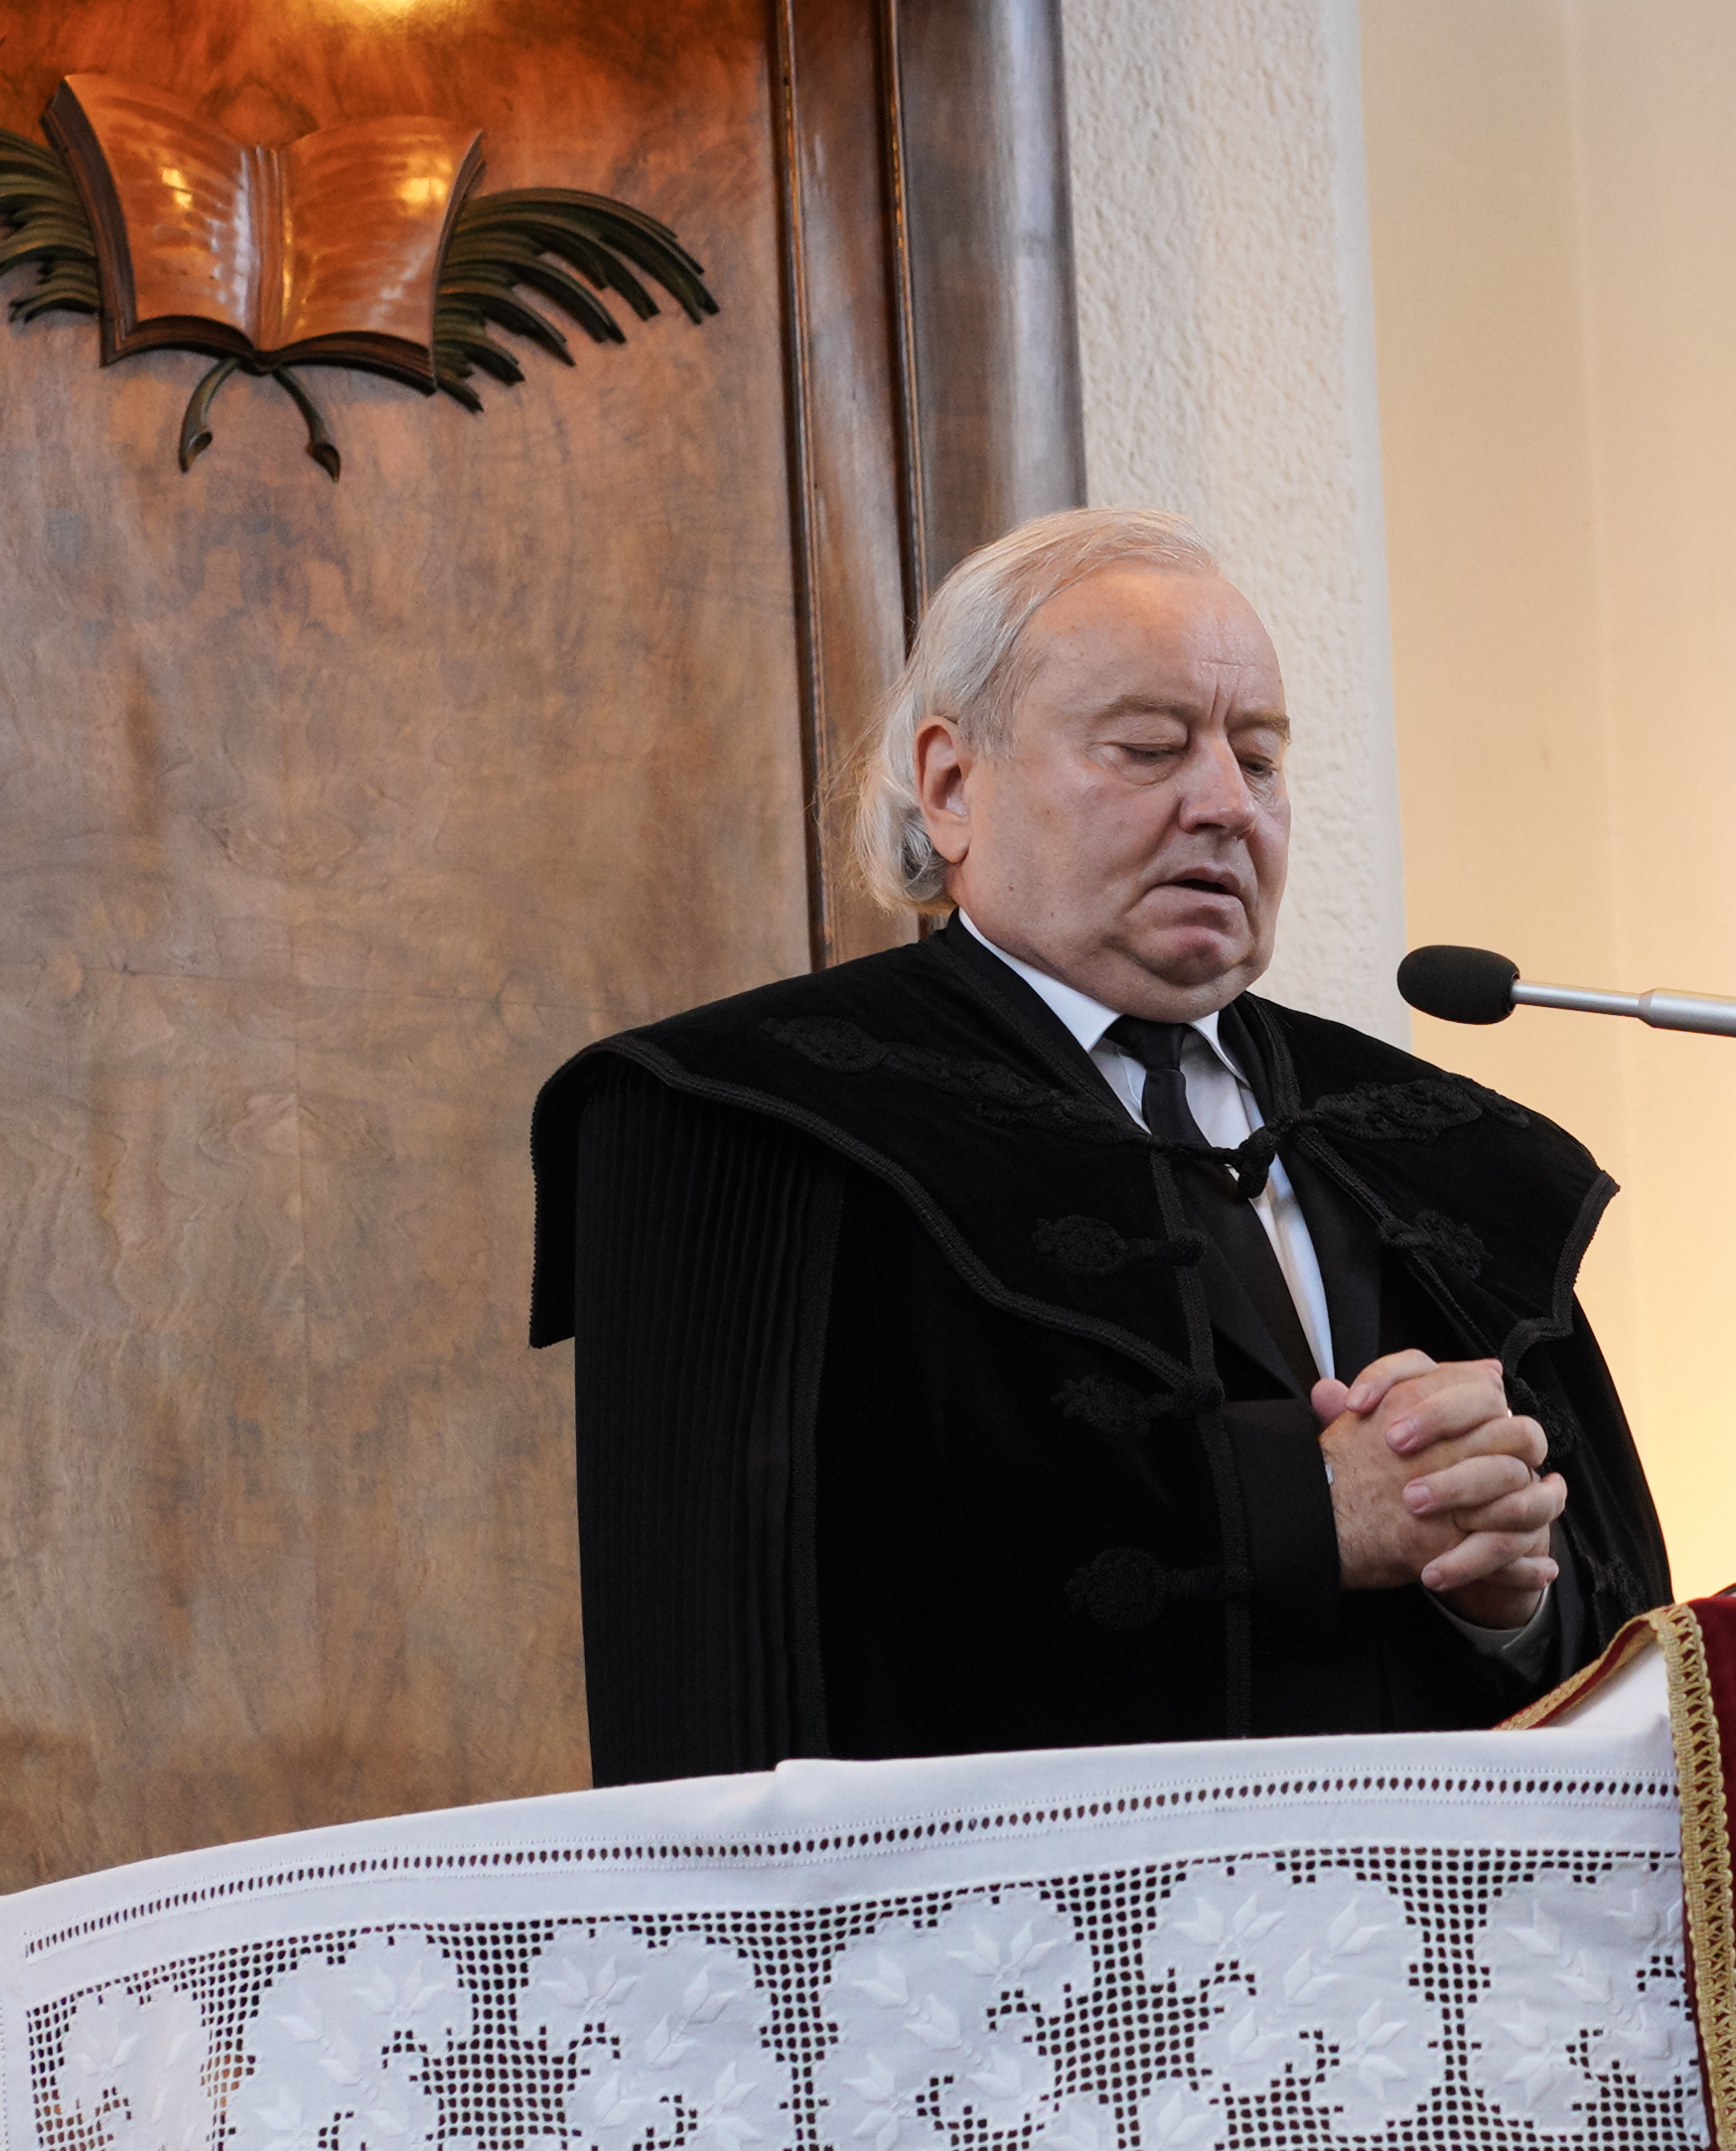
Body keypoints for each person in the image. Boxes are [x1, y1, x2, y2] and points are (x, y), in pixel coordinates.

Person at [530, 507, 1668, 1784]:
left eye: (1260, 757)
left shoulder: (1436, 1147)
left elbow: (1633, 1648)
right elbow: (752, 1636)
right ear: (951, 786)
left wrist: (1505, 1593)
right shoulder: (745, 1119)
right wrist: (1302, 1510)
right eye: (1147, 748)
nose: (1225, 805)